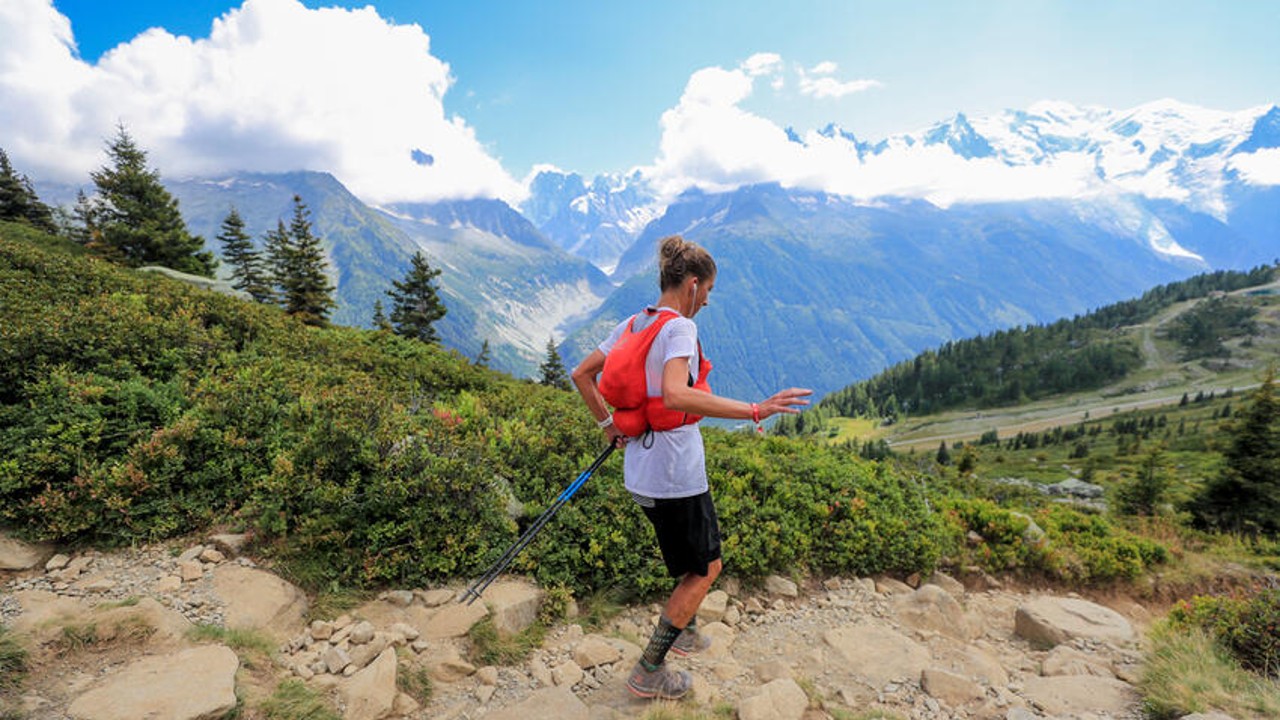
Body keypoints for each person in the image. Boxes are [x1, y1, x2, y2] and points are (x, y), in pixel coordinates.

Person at [571, 235, 812, 700]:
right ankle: (648, 672)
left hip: (640, 469)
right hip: (675, 472)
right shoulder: (679, 328)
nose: (707, 301)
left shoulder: (634, 322)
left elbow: (582, 373)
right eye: (709, 292)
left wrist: (607, 424)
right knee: (706, 567)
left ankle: (683, 631)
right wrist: (755, 409)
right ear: (694, 285)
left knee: (688, 558)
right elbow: (676, 394)